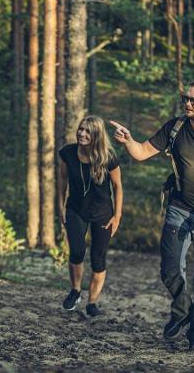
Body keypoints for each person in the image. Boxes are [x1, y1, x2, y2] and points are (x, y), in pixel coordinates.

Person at [111, 80, 194, 351]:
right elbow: (142, 152)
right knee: (170, 269)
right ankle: (182, 307)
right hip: (179, 209)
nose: (187, 103)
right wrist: (129, 141)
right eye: (186, 98)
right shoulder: (176, 127)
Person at [58, 116, 123, 317]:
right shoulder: (68, 153)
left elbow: (117, 186)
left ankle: (92, 303)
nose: (82, 134)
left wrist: (117, 216)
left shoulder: (108, 157)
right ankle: (75, 291)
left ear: (96, 135)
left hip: (102, 214)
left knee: (98, 259)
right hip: (76, 210)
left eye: (87, 132)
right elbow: (62, 180)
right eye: (81, 130)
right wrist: (60, 207)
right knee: (76, 252)